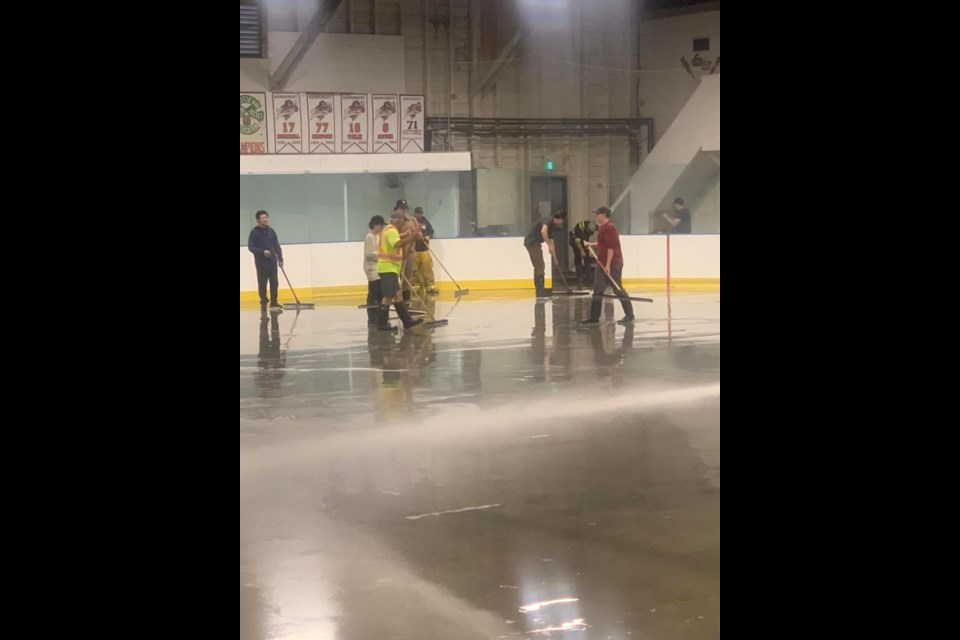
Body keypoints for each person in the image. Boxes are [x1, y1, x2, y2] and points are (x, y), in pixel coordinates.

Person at [581, 206, 634, 325]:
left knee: (617, 288)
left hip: (613, 264)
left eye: (598, 214)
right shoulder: (602, 228)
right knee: (598, 289)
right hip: (601, 263)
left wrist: (608, 265)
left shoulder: (610, 228)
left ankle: (629, 314)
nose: (596, 216)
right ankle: (594, 317)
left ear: (603, 215)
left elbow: (611, 248)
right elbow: (602, 244)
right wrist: (591, 244)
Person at [376, 206, 424, 332]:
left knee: (397, 296)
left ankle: (407, 321)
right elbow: (398, 244)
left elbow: (397, 238)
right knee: (388, 296)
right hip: (388, 268)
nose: (404, 224)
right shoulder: (391, 231)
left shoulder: (389, 229)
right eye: (403, 221)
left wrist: (406, 234)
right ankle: (381, 323)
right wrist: (412, 236)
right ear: (397, 221)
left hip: (390, 268)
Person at [523, 210, 567, 297]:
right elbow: (543, 231)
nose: (561, 222)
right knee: (540, 265)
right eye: (562, 220)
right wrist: (548, 244)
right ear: (559, 219)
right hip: (531, 242)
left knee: (539, 265)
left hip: (536, 243)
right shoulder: (547, 219)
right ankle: (540, 290)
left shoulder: (553, 227)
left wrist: (555, 259)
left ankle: (540, 288)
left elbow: (552, 244)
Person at [247, 210, 284, 312]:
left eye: (266, 217)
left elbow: (276, 245)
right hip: (261, 263)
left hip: (272, 262)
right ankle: (263, 302)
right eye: (263, 218)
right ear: (258, 220)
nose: (265, 219)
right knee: (262, 283)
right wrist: (262, 252)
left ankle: (274, 302)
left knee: (274, 282)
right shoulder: (254, 233)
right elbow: (251, 247)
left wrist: (280, 259)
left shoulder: (271, 231)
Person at [364, 215, 387, 327]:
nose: (382, 228)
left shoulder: (376, 237)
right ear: (376, 225)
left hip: (378, 269)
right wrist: (382, 255)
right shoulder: (370, 237)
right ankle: (372, 319)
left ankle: (377, 318)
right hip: (373, 270)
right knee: (374, 295)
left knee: (378, 295)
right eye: (381, 226)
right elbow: (369, 254)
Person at [412, 207, 439, 297]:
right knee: (414, 269)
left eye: (420, 213)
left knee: (427, 268)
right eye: (417, 213)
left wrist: (427, 237)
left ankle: (430, 286)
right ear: (415, 213)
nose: (419, 215)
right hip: (414, 249)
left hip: (424, 249)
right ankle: (415, 286)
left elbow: (431, 231)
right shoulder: (411, 222)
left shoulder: (425, 222)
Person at [569, 219, 595, 287]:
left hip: (583, 240)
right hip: (575, 240)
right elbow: (577, 241)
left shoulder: (591, 225)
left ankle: (589, 278)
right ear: (586, 229)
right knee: (578, 257)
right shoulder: (578, 229)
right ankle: (579, 280)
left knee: (587, 257)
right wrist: (581, 250)